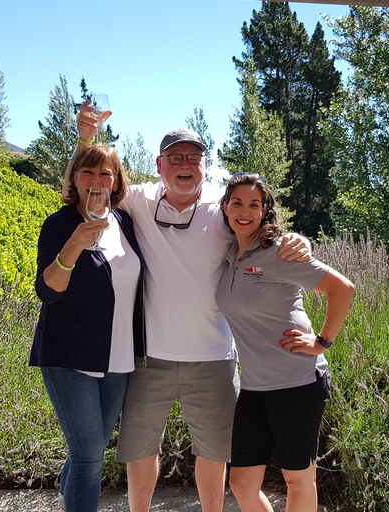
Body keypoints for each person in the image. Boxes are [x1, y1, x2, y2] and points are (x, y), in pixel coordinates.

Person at [76, 102, 312, 512]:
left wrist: (300, 242)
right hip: (150, 359)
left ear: (205, 164)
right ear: (159, 164)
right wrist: (86, 140)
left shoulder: (224, 212)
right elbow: (92, 184)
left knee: (214, 455)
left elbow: (266, 227)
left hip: (215, 358)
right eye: (175, 157)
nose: (185, 164)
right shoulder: (137, 200)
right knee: (139, 452)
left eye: (194, 157)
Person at [216, 173, 355, 512]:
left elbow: (343, 289)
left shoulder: (279, 253)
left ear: (265, 210)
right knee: (241, 483)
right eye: (237, 203)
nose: (244, 211)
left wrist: (322, 342)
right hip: (251, 386)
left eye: (254, 204)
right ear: (225, 207)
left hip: (297, 382)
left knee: (297, 477)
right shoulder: (228, 253)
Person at [30, 143, 146, 512]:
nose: (96, 181)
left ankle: (67, 501)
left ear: (116, 182)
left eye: (105, 174)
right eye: (87, 173)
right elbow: (48, 291)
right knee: (88, 457)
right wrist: (75, 245)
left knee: (90, 450)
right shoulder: (59, 224)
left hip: (118, 358)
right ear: (74, 179)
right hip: (69, 357)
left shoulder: (125, 223)